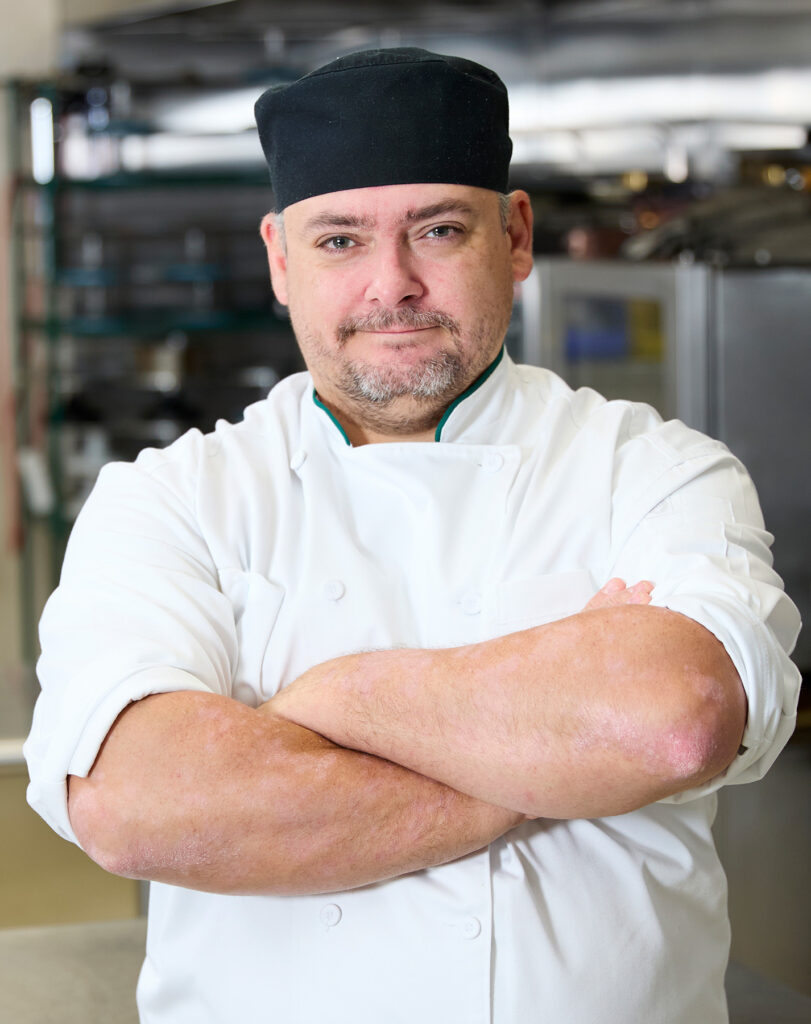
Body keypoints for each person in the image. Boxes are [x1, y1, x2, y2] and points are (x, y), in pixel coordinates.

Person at [25, 48, 800, 1024]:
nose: (391, 285)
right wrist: (548, 763)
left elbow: (672, 718)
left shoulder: (650, 469)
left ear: (514, 237)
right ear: (278, 260)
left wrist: (331, 697)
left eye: (438, 229)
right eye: (340, 241)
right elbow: (137, 803)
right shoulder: (173, 499)